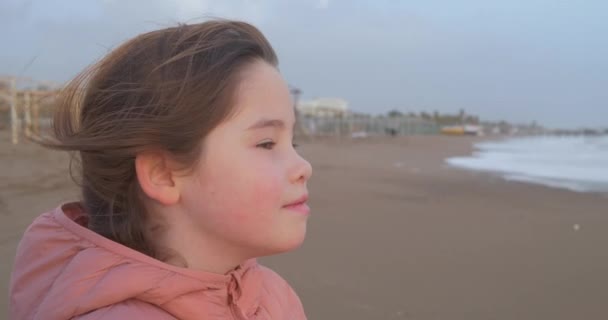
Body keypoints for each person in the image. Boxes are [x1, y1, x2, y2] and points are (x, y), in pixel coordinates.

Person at [9, 19, 312, 320]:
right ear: (163, 174)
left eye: (293, 143)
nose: (304, 167)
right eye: (267, 143)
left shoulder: (272, 297)